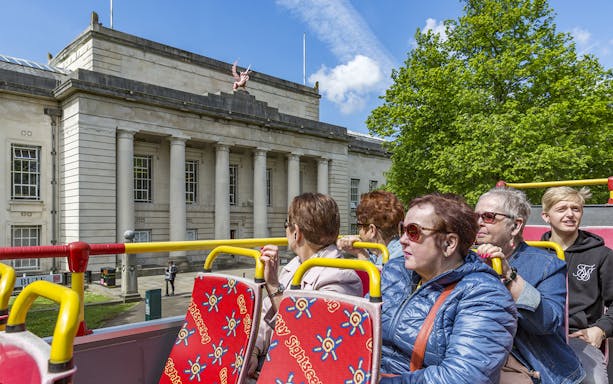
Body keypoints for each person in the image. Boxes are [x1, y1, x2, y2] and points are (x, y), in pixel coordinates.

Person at [379, 193, 517, 383]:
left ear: (449, 243)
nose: (402, 239)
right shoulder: (395, 271)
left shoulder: (485, 295)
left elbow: (462, 377)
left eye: (413, 231)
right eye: (402, 229)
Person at [247, 192, 363, 379]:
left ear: (296, 232)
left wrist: (274, 287)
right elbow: (265, 318)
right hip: (278, 359)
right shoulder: (294, 266)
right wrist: (253, 350)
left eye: (287, 225)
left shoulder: (341, 276)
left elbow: (310, 339)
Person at [475, 187, 585, 384]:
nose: (479, 223)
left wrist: (509, 277)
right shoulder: (466, 261)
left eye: (489, 216)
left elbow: (548, 322)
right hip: (476, 358)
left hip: (528, 364)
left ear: (516, 226)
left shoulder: (547, 264)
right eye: (475, 216)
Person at [540, 186, 612, 384]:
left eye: (576, 208)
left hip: (578, 337)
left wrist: (601, 329)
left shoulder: (601, 255)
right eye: (562, 209)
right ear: (546, 216)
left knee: (594, 379)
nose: (570, 214)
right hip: (537, 334)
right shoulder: (534, 253)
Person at [337, 190, 405, 267]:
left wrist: (361, 254)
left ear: (372, 230)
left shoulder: (396, 259)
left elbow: (379, 277)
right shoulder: (383, 252)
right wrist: (359, 251)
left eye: (359, 225)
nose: (359, 232)